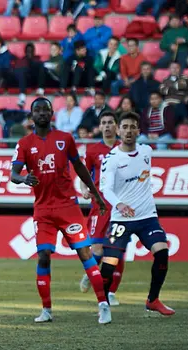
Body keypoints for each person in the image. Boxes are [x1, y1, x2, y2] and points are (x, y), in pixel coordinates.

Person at [10, 98, 112, 325]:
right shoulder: (25, 144)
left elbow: (80, 167)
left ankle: (103, 304)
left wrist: (95, 193)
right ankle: (46, 309)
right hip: (43, 209)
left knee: (85, 253)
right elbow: (13, 174)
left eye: (46, 109)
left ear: (52, 113)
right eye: (38, 110)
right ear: (32, 115)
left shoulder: (65, 139)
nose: (42, 113)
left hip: (68, 207)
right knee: (43, 255)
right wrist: (24, 178)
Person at [99, 112, 174, 316]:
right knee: (109, 263)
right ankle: (103, 304)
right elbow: (106, 189)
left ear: (138, 131)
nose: (129, 131)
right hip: (121, 218)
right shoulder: (112, 159)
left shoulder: (146, 151)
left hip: (147, 216)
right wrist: (120, 204)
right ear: (118, 131)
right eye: (125, 127)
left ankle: (153, 300)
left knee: (162, 252)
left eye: (133, 127)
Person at [79, 111, 123, 304]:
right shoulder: (92, 150)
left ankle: (111, 293)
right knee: (96, 248)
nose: (107, 126)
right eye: (103, 122)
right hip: (99, 204)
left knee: (117, 249)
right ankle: (90, 272)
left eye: (110, 122)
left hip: (121, 204)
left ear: (116, 126)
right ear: (100, 126)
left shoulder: (124, 148)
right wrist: (84, 189)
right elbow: (84, 174)